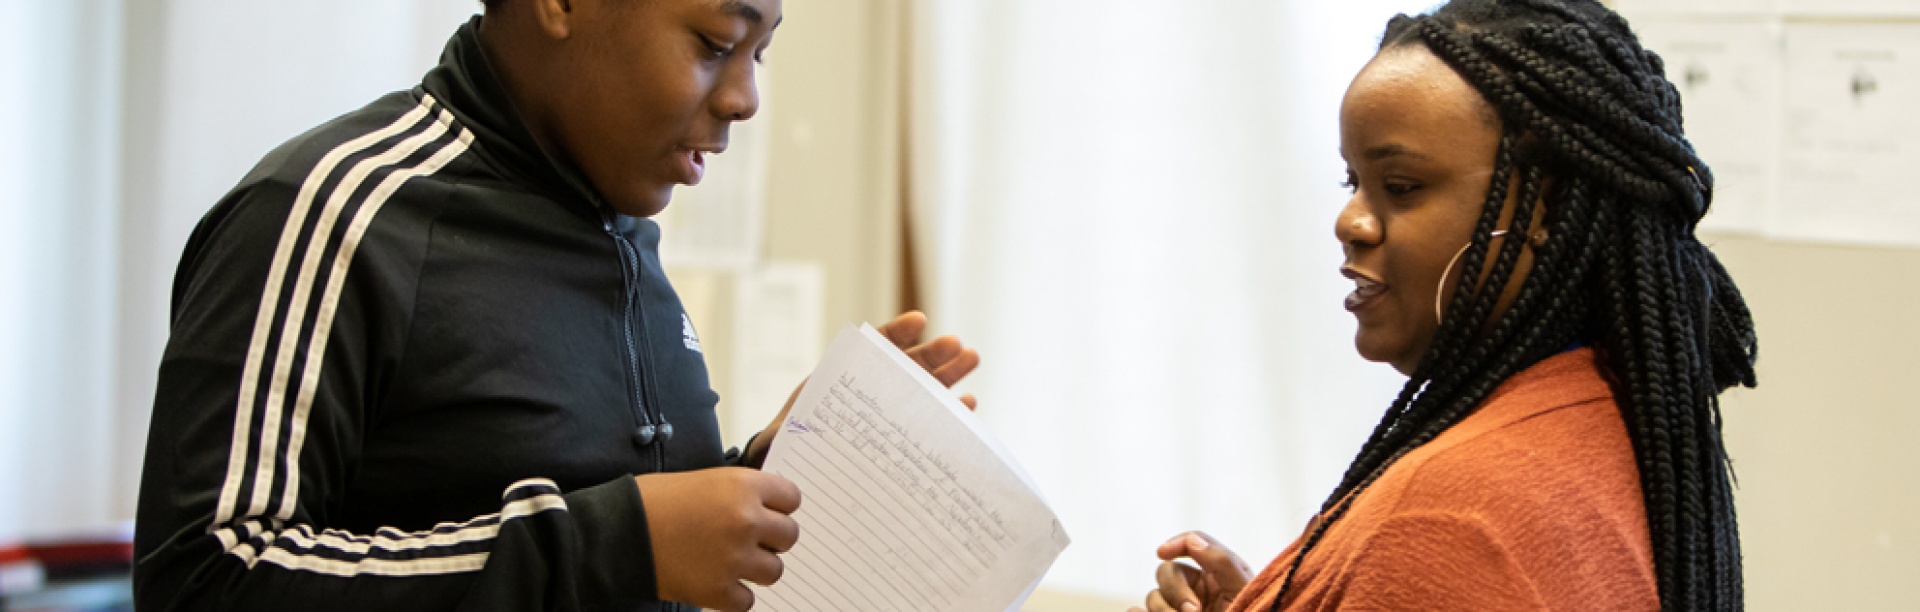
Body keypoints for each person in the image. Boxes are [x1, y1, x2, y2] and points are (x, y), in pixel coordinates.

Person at [132, 1, 979, 610]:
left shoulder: (622, 233)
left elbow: (628, 533)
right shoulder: (333, 212)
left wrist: (769, 476)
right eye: (717, 41)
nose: (745, 97)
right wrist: (619, 543)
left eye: (762, 52)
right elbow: (202, 579)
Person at [1134, 0, 1757, 610]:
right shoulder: (1610, 408)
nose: (1349, 221)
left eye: (1401, 187)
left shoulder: (1447, 520)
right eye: (1353, 182)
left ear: (1544, 208)